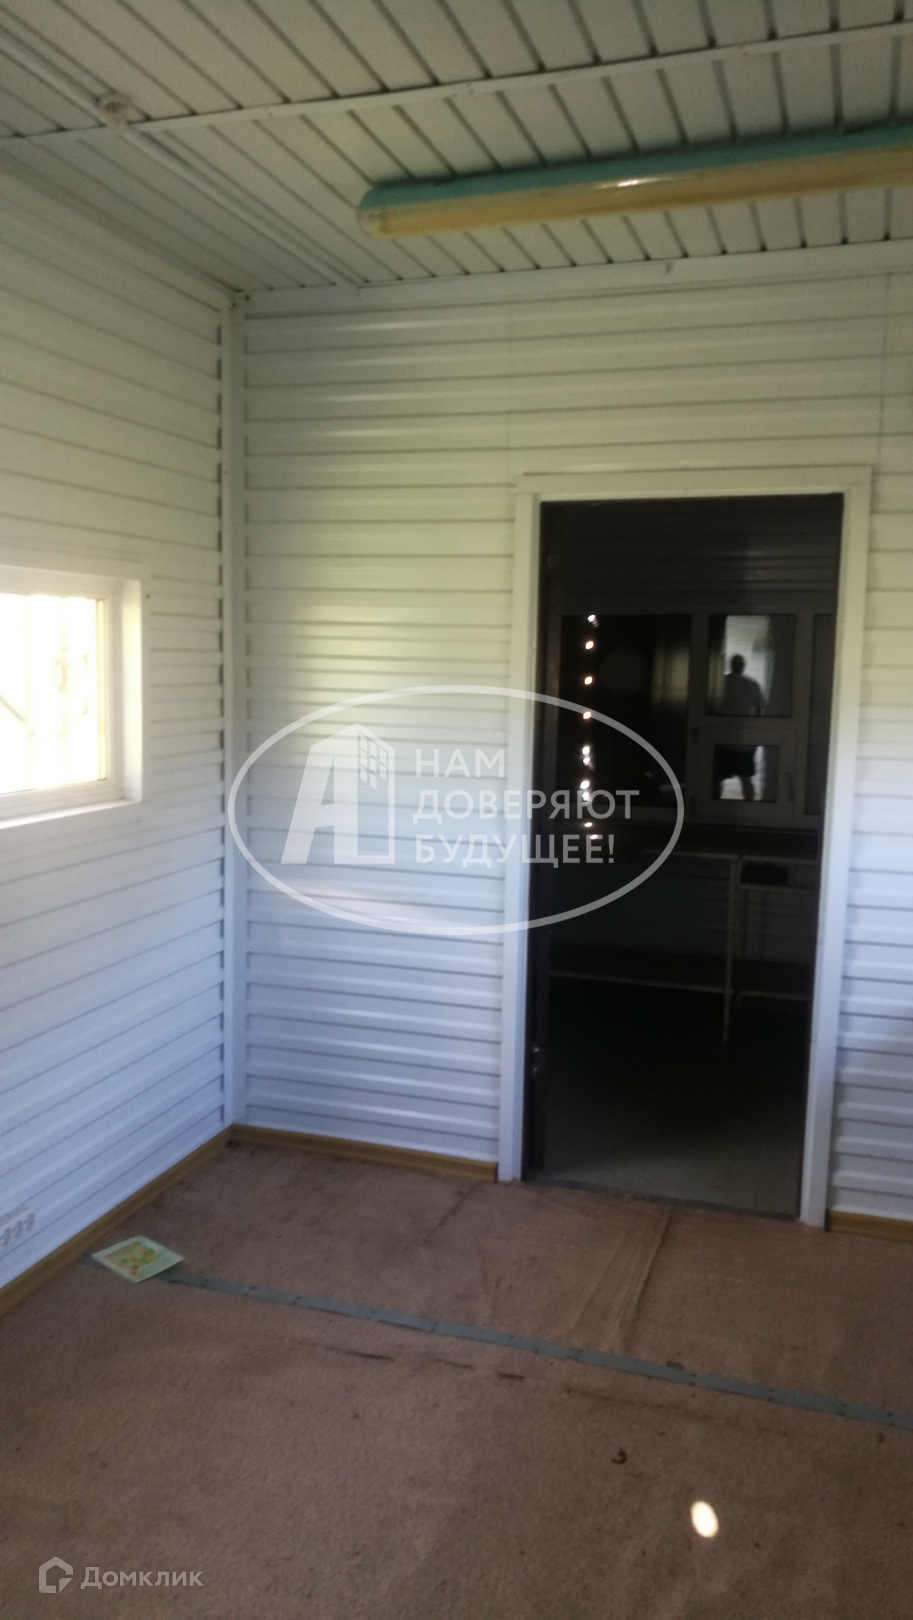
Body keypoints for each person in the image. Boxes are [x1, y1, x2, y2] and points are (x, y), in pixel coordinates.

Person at [716, 654, 764, 801]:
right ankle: (749, 805)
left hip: (725, 738)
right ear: (743, 666)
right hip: (743, 740)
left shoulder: (721, 682)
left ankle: (714, 807)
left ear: (731, 665)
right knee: (745, 777)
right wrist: (755, 737)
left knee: (717, 776)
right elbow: (760, 711)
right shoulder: (752, 684)